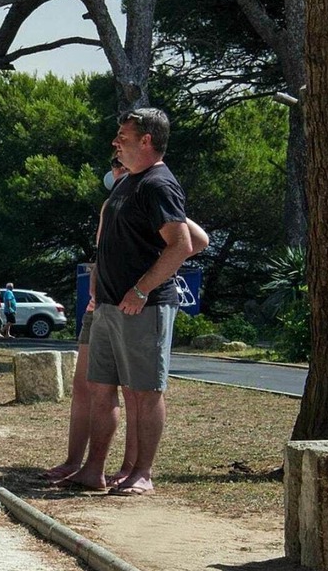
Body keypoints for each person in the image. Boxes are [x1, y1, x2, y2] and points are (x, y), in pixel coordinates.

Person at [45, 157, 210, 488]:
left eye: (121, 165)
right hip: (104, 303)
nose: (117, 172)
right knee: (91, 385)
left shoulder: (153, 190)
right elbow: (106, 249)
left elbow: (194, 241)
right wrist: (97, 276)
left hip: (138, 304)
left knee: (138, 391)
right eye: (115, 167)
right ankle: (84, 465)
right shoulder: (114, 202)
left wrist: (147, 279)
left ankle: (133, 469)